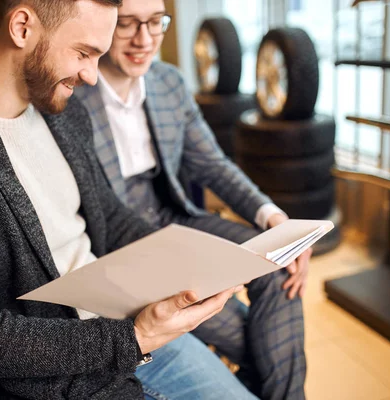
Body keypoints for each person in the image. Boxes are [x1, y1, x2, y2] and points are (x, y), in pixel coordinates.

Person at [0, 0, 258, 399]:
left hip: (134, 335)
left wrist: (194, 258)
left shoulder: (64, 114)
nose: (91, 75)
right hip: (67, 379)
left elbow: (109, 218)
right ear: (22, 27)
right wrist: (134, 337)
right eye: (83, 53)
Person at [74, 0, 311, 399]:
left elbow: (213, 165)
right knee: (259, 342)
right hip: (125, 246)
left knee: (279, 265)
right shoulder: (73, 94)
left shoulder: (169, 82)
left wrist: (271, 215)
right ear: (104, 23)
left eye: (155, 23)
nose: (144, 39)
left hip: (173, 216)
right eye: (128, 24)